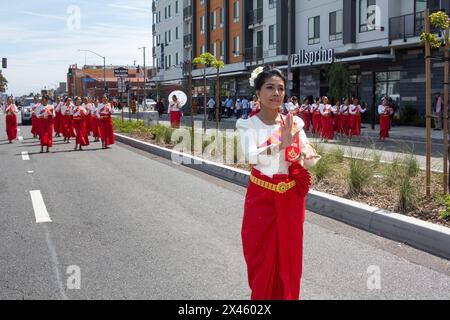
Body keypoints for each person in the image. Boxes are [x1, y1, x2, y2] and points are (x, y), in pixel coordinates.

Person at [236, 66, 319, 300]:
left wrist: (309, 153)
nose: (276, 93)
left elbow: (304, 148)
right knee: (261, 258)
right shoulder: (247, 125)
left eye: (280, 88)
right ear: (258, 93)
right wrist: (281, 144)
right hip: (261, 198)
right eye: (270, 87)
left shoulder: (294, 123)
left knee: (290, 258)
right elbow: (250, 156)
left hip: (291, 199)